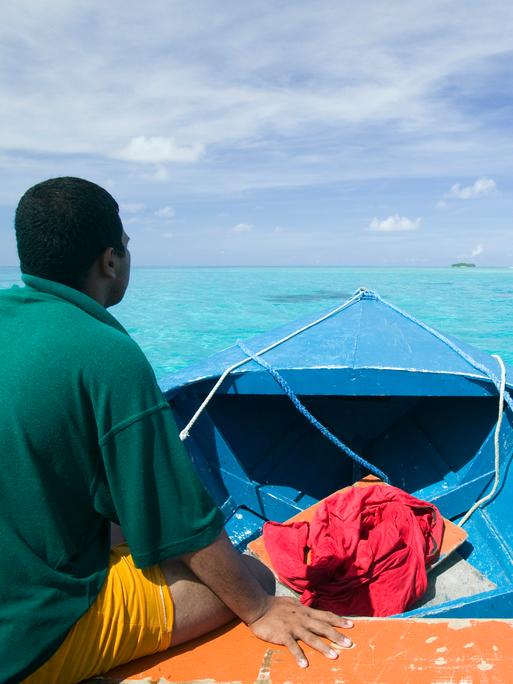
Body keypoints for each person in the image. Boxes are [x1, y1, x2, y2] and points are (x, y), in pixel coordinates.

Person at [0, 177, 353, 684]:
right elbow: (179, 526)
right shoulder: (105, 355)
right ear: (110, 261)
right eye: (125, 246)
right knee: (248, 576)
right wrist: (258, 609)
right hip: (26, 636)